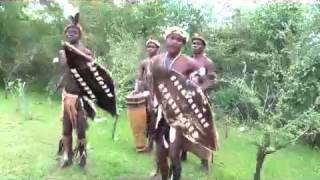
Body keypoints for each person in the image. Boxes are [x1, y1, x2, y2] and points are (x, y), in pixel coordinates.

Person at [150, 26, 219, 180]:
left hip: (179, 113)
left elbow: (209, 78)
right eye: (172, 38)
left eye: (179, 40)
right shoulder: (156, 60)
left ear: (183, 44)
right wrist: (151, 101)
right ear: (166, 39)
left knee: (174, 152)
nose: (174, 42)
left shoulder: (188, 62)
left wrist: (195, 91)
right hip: (161, 111)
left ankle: (177, 176)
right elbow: (152, 83)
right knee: (161, 153)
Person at [56, 13, 94, 168]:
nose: (70, 33)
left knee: (80, 130)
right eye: (68, 32)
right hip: (67, 96)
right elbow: (65, 68)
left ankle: (82, 155)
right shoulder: (62, 52)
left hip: (81, 98)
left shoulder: (86, 52)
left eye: (74, 31)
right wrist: (60, 82)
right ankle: (67, 156)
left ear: (80, 34)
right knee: (66, 128)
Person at [180, 33, 218, 171]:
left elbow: (212, 79)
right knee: (184, 126)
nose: (195, 45)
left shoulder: (207, 62)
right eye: (194, 43)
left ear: (203, 46)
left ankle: (204, 162)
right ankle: (183, 152)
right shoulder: (188, 61)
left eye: (198, 43)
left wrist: (200, 89)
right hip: (187, 99)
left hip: (201, 101)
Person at [133, 37, 160, 152]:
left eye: (152, 46)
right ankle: (144, 142)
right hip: (146, 92)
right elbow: (139, 78)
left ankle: (153, 144)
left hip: (158, 93)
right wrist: (136, 89)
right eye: (148, 46)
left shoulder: (161, 61)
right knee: (144, 117)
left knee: (155, 117)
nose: (150, 48)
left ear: (158, 49)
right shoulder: (144, 62)